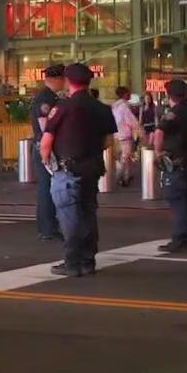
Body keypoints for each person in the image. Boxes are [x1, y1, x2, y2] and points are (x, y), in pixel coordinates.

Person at [40, 63, 117, 277]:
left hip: (68, 169)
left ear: (67, 80)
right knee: (88, 213)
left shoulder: (63, 107)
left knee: (68, 217)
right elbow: (108, 140)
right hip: (91, 167)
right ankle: (87, 260)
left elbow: (46, 141)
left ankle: (72, 262)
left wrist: (47, 162)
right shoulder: (101, 108)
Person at [153, 79, 187, 253]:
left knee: (177, 201)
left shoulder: (173, 113)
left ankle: (180, 238)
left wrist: (158, 153)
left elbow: (159, 132)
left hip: (176, 163)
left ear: (169, 95)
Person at [29, 64, 65, 241]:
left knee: (48, 188)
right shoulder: (46, 99)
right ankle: (47, 228)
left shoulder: (49, 97)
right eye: (63, 79)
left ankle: (48, 226)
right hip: (45, 148)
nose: (64, 82)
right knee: (47, 189)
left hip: (44, 147)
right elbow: (45, 127)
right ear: (56, 79)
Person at [110, 86, 141, 187]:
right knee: (125, 157)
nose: (129, 95)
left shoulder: (115, 106)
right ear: (124, 94)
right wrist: (140, 131)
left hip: (116, 135)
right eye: (128, 93)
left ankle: (126, 176)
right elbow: (132, 121)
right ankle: (119, 177)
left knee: (122, 158)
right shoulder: (124, 107)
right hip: (124, 135)